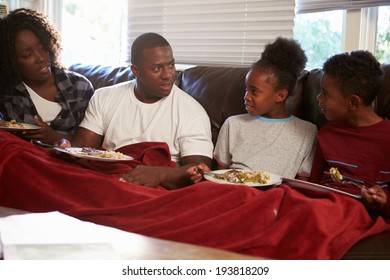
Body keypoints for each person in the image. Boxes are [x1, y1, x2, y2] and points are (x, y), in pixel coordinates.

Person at [59, 32, 213, 189]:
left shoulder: (192, 112)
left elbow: (200, 170)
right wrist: (64, 146)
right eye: (157, 68)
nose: (168, 75)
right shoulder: (104, 96)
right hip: (105, 175)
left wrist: (159, 174)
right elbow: (82, 148)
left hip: (153, 186)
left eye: (171, 65)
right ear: (136, 70)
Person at [188, 37, 317, 182]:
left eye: (254, 92)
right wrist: (206, 174)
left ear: (280, 95)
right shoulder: (233, 124)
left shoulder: (307, 132)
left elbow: (301, 185)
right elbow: (221, 175)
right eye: (246, 89)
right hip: (232, 189)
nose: (246, 97)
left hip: (275, 195)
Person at [309, 50, 390, 218]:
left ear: (353, 102)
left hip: (356, 213)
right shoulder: (327, 134)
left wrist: (383, 199)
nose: (318, 98)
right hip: (320, 205)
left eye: (325, 94)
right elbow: (314, 184)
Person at [0, 8, 94, 145]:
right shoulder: (6, 92)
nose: (41, 58)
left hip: (69, 163)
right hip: (24, 159)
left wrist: (54, 137)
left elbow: (90, 146)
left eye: (43, 47)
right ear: (10, 61)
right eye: (28, 55)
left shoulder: (80, 87)